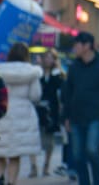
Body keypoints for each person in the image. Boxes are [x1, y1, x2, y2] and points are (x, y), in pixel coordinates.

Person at [62, 32, 99, 185]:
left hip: (96, 117)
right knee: (77, 155)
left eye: (77, 44)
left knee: (92, 150)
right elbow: (67, 93)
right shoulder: (74, 67)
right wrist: (65, 117)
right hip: (75, 117)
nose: (75, 48)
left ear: (87, 46)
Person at [0, 43, 42, 185]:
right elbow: (35, 95)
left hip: (1, 113)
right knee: (15, 155)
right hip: (23, 116)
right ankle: (11, 182)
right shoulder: (32, 72)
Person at [36, 49, 65, 177]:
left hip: (52, 110)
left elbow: (61, 92)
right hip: (37, 108)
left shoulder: (58, 75)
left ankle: (46, 164)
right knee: (35, 138)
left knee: (49, 139)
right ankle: (33, 166)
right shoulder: (37, 73)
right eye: (46, 57)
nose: (48, 60)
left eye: (50, 57)